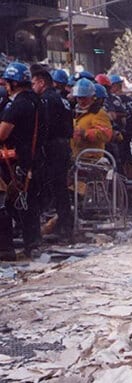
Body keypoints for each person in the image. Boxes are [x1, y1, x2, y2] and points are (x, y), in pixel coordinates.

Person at [0, 62, 44, 260]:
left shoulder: (18, 105)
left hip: (18, 161)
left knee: (15, 203)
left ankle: (11, 247)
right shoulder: (38, 101)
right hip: (36, 158)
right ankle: (32, 244)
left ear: (14, 83)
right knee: (29, 203)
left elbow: (2, 133)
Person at [31, 65, 73, 240]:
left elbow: (44, 127)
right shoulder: (61, 99)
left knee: (56, 188)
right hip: (63, 145)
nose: (32, 87)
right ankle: (64, 225)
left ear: (42, 82)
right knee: (60, 188)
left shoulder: (46, 100)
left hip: (53, 147)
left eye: (33, 83)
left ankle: (63, 227)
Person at [70, 78, 112, 162]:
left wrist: (86, 133)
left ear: (93, 97)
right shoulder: (76, 112)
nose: (81, 101)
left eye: (84, 98)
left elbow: (106, 134)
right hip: (77, 158)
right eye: (79, 98)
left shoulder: (98, 113)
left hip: (92, 160)